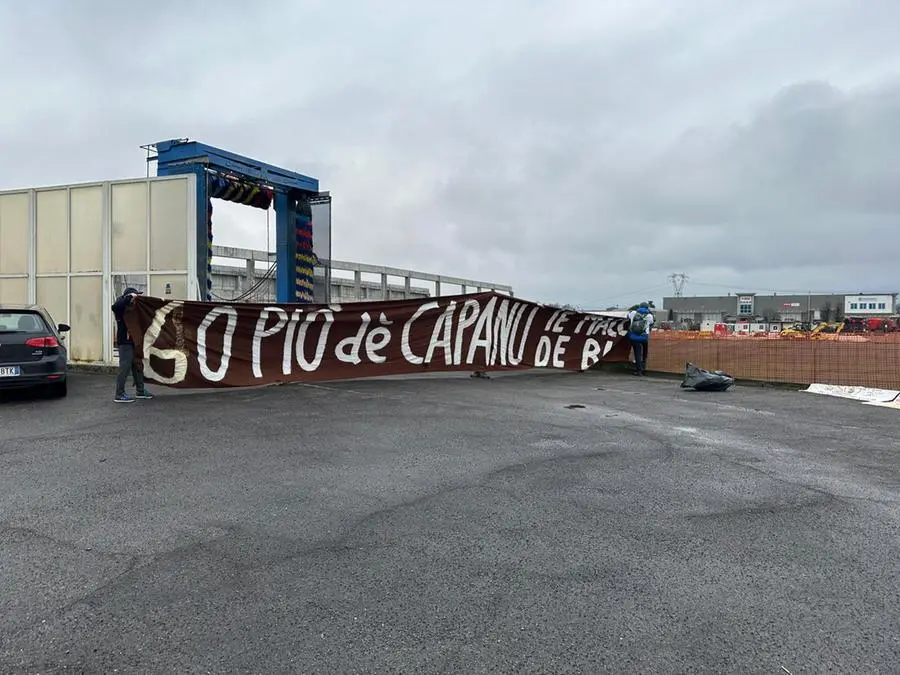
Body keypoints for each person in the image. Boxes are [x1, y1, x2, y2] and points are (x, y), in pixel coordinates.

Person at [111, 287, 153, 403]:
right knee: (125, 367)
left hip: (134, 342)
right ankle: (119, 394)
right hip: (125, 343)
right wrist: (129, 297)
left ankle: (140, 390)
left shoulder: (133, 309)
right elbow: (115, 306)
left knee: (137, 366)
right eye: (135, 296)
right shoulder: (120, 309)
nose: (136, 299)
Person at [626, 302, 654, 376]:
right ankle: (644, 367)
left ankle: (639, 371)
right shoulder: (649, 316)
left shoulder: (633, 313)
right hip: (644, 337)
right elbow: (651, 323)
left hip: (634, 337)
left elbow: (627, 316)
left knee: (637, 354)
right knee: (644, 352)